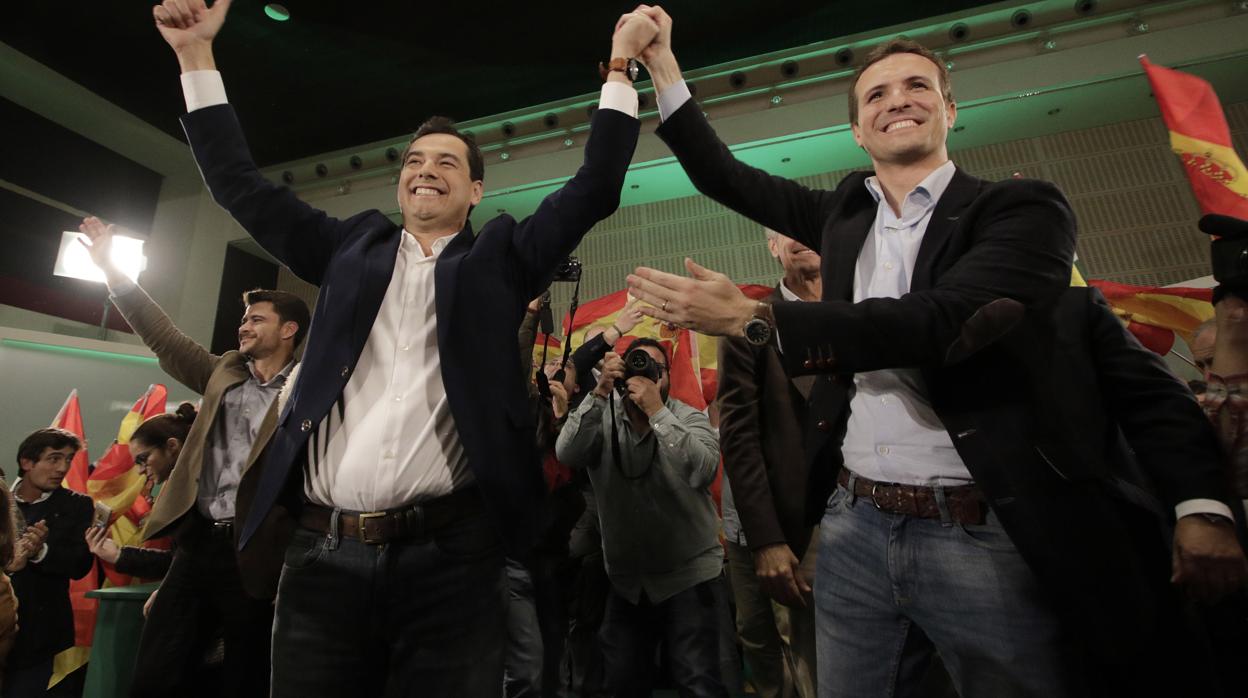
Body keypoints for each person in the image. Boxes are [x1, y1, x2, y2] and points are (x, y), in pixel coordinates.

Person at [623, 10, 1244, 695]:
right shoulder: (844, 218)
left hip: (983, 532)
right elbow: (724, 176)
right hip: (854, 526)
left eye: (918, 86)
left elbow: (937, 320)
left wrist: (757, 320)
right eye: (877, 96)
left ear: (950, 108)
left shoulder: (1018, 211)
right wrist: (662, 67)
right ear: (858, 131)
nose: (898, 101)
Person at [151, 1, 650, 694]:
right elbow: (241, 186)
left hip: (451, 560)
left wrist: (621, 65)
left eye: (447, 162)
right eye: (415, 161)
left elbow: (595, 186)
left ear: (476, 189)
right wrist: (195, 57)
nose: (425, 170)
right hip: (320, 556)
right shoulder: (348, 245)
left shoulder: (501, 257)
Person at [79, 217, 308, 698]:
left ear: (289, 330)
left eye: (256, 319)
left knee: (245, 676)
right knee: (156, 674)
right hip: (198, 543)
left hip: (258, 549)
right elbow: (164, 338)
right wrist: (114, 274)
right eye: (243, 319)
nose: (243, 326)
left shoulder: (308, 389)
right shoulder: (223, 371)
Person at [556, 338, 726, 697]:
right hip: (627, 583)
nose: (645, 372)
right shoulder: (602, 418)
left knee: (698, 683)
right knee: (622, 683)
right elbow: (567, 453)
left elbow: (704, 470)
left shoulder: (686, 415)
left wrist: (657, 413)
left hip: (689, 578)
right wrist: (599, 391)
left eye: (655, 368)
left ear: (666, 378)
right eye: (636, 363)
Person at [717, 228, 819, 698]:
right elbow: (739, 436)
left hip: (887, 509)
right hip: (798, 533)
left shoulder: (866, 307)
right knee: (806, 663)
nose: (796, 236)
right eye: (781, 232)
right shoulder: (750, 323)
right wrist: (768, 539)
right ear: (772, 249)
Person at [5, 429, 93, 697]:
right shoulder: (2, 501)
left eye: (68, 459)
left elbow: (80, 564)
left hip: (43, 638)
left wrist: (40, 551)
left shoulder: (77, 505)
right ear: (26, 462)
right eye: (54, 459)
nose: (63, 468)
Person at [83, 404, 200, 583]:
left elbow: (189, 563)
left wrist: (120, 556)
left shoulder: (203, 492)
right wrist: (118, 555)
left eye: (143, 459)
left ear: (172, 446)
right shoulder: (186, 489)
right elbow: (180, 561)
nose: (139, 471)